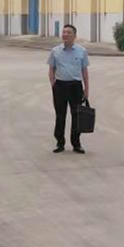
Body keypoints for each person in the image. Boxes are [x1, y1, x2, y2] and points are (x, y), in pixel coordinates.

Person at [48, 24, 90, 154]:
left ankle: (76, 143)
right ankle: (59, 142)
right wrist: (53, 84)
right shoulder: (55, 51)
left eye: (68, 32)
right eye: (64, 32)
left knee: (76, 116)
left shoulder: (81, 51)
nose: (65, 35)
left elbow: (84, 71)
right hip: (60, 86)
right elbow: (51, 69)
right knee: (60, 116)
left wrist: (86, 89)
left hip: (76, 86)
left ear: (74, 36)